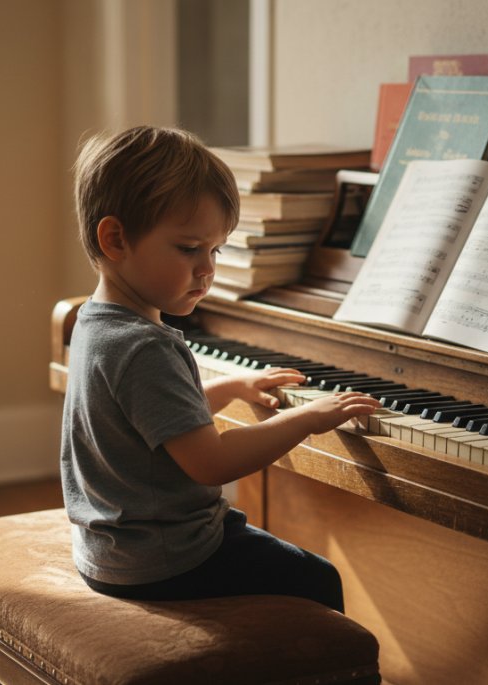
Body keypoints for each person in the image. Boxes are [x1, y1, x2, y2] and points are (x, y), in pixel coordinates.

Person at [62, 126, 379, 612]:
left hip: (111, 553)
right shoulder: (145, 345)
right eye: (190, 249)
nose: (207, 269)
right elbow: (212, 461)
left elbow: (155, 421)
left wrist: (232, 385)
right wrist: (309, 419)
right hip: (167, 560)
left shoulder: (96, 322)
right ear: (115, 239)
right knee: (318, 580)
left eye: (216, 250)